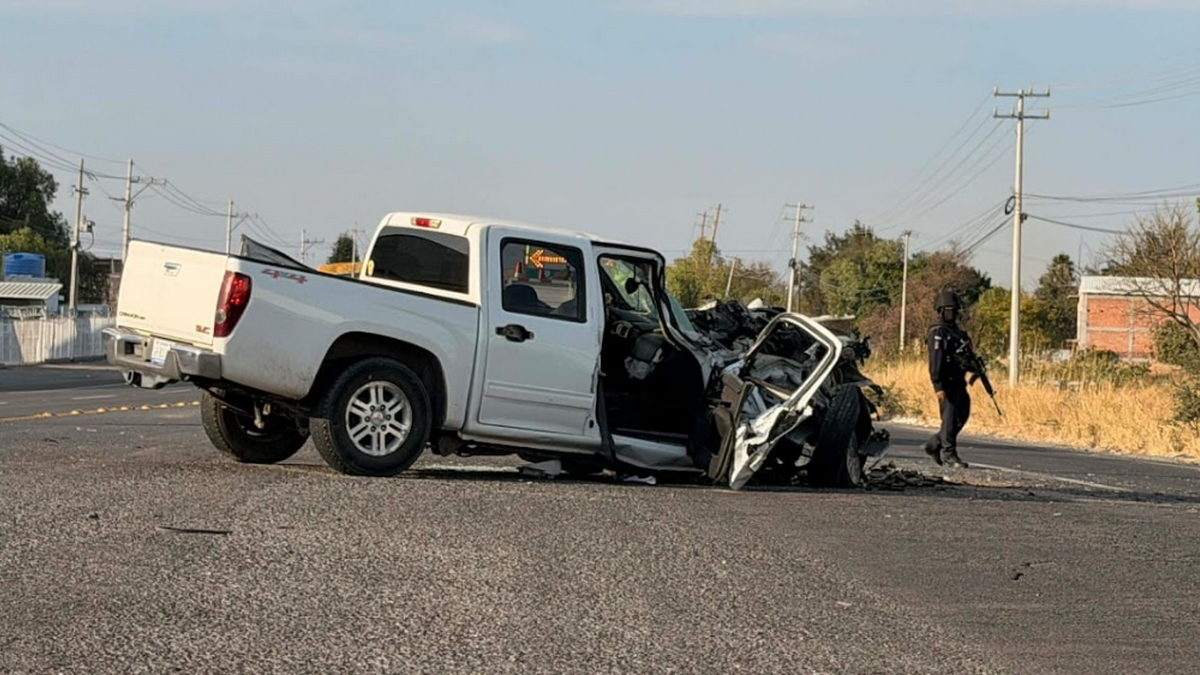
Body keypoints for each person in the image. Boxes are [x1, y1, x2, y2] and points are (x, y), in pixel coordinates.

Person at [923, 289, 971, 468]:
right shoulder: (938, 332)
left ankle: (934, 443)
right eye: (947, 310)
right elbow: (935, 361)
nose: (951, 314)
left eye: (953, 310)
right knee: (949, 418)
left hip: (959, 381)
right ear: (941, 311)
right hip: (946, 381)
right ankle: (949, 453)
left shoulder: (958, 333)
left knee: (962, 414)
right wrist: (938, 385)